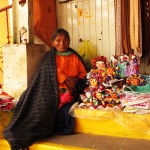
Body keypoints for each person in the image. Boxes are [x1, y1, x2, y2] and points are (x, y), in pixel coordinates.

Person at [3, 28, 87, 150]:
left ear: (69, 41)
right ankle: (21, 137)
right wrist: (65, 79)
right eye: (58, 40)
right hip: (51, 89)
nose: (62, 43)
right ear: (52, 42)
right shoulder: (49, 58)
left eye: (65, 40)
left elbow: (83, 75)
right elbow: (47, 73)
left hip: (70, 91)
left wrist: (75, 80)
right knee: (39, 108)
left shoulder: (75, 56)